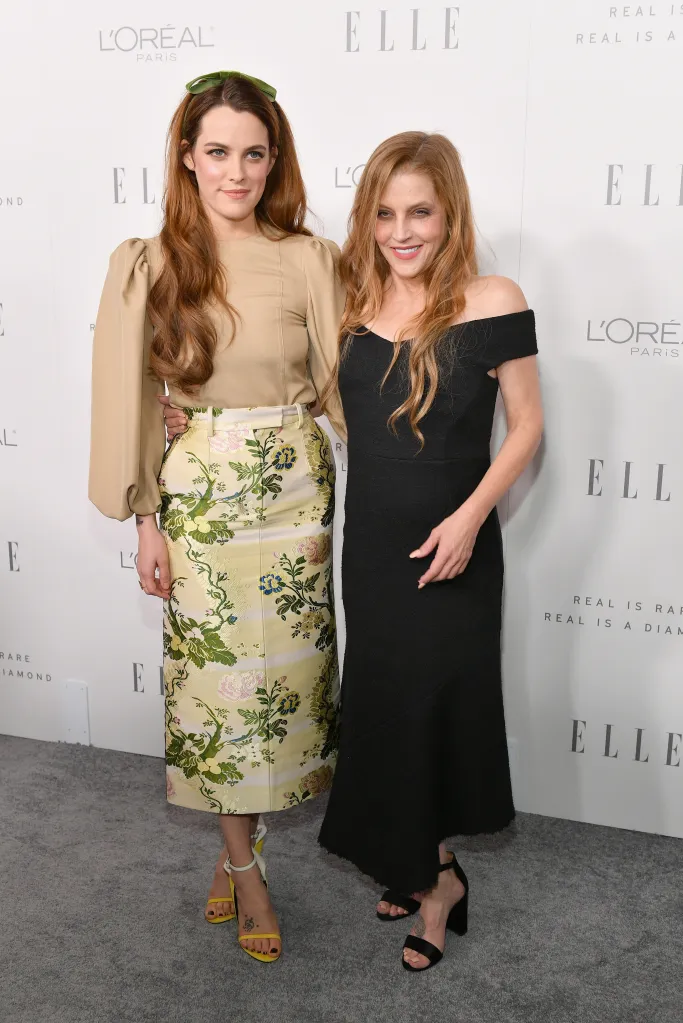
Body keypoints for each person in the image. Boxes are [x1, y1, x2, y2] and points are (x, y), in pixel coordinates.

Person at [163, 130, 543, 972]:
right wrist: (186, 406)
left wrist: (473, 517)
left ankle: (437, 883)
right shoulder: (351, 301)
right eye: (383, 212)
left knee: (436, 709)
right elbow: (258, 354)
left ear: (450, 214)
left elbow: (528, 428)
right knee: (384, 709)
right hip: (369, 547)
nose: (401, 230)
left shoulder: (490, 298)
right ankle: (418, 867)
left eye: (420, 212)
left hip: (454, 548)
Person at [89, 70, 346, 964]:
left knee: (282, 698)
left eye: (253, 153)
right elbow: (130, 401)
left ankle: (242, 845)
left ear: (273, 160)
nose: (236, 172)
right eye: (217, 153)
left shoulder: (310, 257)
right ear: (187, 159)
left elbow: (345, 383)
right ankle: (246, 870)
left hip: (295, 497)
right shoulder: (149, 259)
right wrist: (146, 521)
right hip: (199, 500)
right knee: (215, 695)